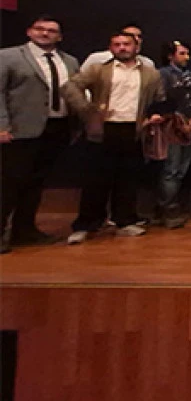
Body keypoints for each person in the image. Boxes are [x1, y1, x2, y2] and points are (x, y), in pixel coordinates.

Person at [61, 31, 165, 243]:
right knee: (95, 180)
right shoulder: (99, 69)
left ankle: (124, 221)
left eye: (126, 44)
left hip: (133, 130)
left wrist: (154, 115)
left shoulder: (150, 74)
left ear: (136, 47)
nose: (122, 48)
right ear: (111, 48)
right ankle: (86, 224)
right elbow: (69, 87)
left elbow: (160, 98)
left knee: (128, 179)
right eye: (117, 44)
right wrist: (87, 109)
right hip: (103, 129)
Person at [0, 16, 79, 252]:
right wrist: (1, 125)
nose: (45, 34)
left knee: (36, 183)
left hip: (57, 128)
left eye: (51, 31)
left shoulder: (70, 61)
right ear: (29, 31)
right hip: (19, 130)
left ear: (60, 36)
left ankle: (24, 230)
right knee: (9, 183)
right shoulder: (8, 56)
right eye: (40, 29)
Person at [156, 40, 191, 228]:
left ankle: (172, 206)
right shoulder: (163, 74)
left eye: (187, 53)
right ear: (171, 56)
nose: (187, 57)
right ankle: (167, 209)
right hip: (172, 129)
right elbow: (161, 100)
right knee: (171, 170)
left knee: (181, 171)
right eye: (182, 53)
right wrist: (179, 120)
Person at [80, 22, 155, 70]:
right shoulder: (96, 59)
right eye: (130, 35)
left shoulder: (147, 63)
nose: (136, 39)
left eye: (139, 36)